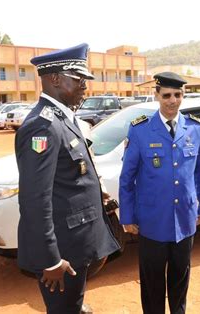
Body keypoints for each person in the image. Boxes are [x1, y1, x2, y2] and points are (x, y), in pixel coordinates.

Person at [15, 43, 120, 314]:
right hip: (62, 251)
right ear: (55, 79)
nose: (85, 86)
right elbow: (34, 199)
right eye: (79, 79)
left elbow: (70, 176)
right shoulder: (43, 126)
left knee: (72, 304)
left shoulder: (63, 117)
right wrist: (50, 260)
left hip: (76, 241)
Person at [119, 72, 200, 314]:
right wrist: (127, 217)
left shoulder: (195, 128)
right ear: (157, 95)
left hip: (185, 218)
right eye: (167, 95)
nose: (172, 100)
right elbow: (127, 177)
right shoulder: (140, 129)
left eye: (178, 95)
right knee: (152, 282)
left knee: (181, 278)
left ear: (183, 95)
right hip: (152, 220)